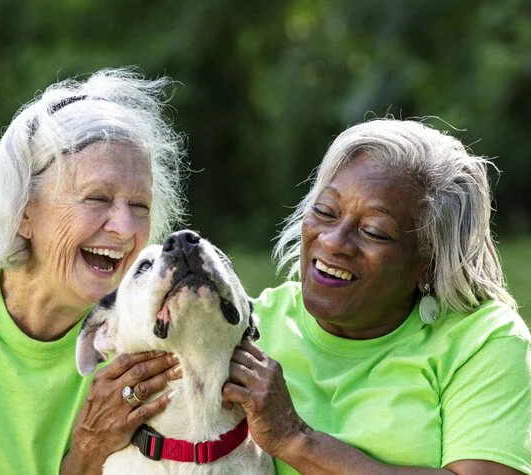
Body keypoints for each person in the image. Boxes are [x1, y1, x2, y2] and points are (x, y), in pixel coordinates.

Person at [0, 68, 187, 474]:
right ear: (23, 212)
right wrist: (89, 450)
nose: (125, 227)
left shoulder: (144, 331)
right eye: (97, 198)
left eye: (140, 206)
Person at [223, 118, 531, 474]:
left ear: (429, 264)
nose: (333, 241)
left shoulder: (482, 340)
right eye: (325, 212)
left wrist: (295, 439)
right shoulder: (248, 325)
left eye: (374, 231)